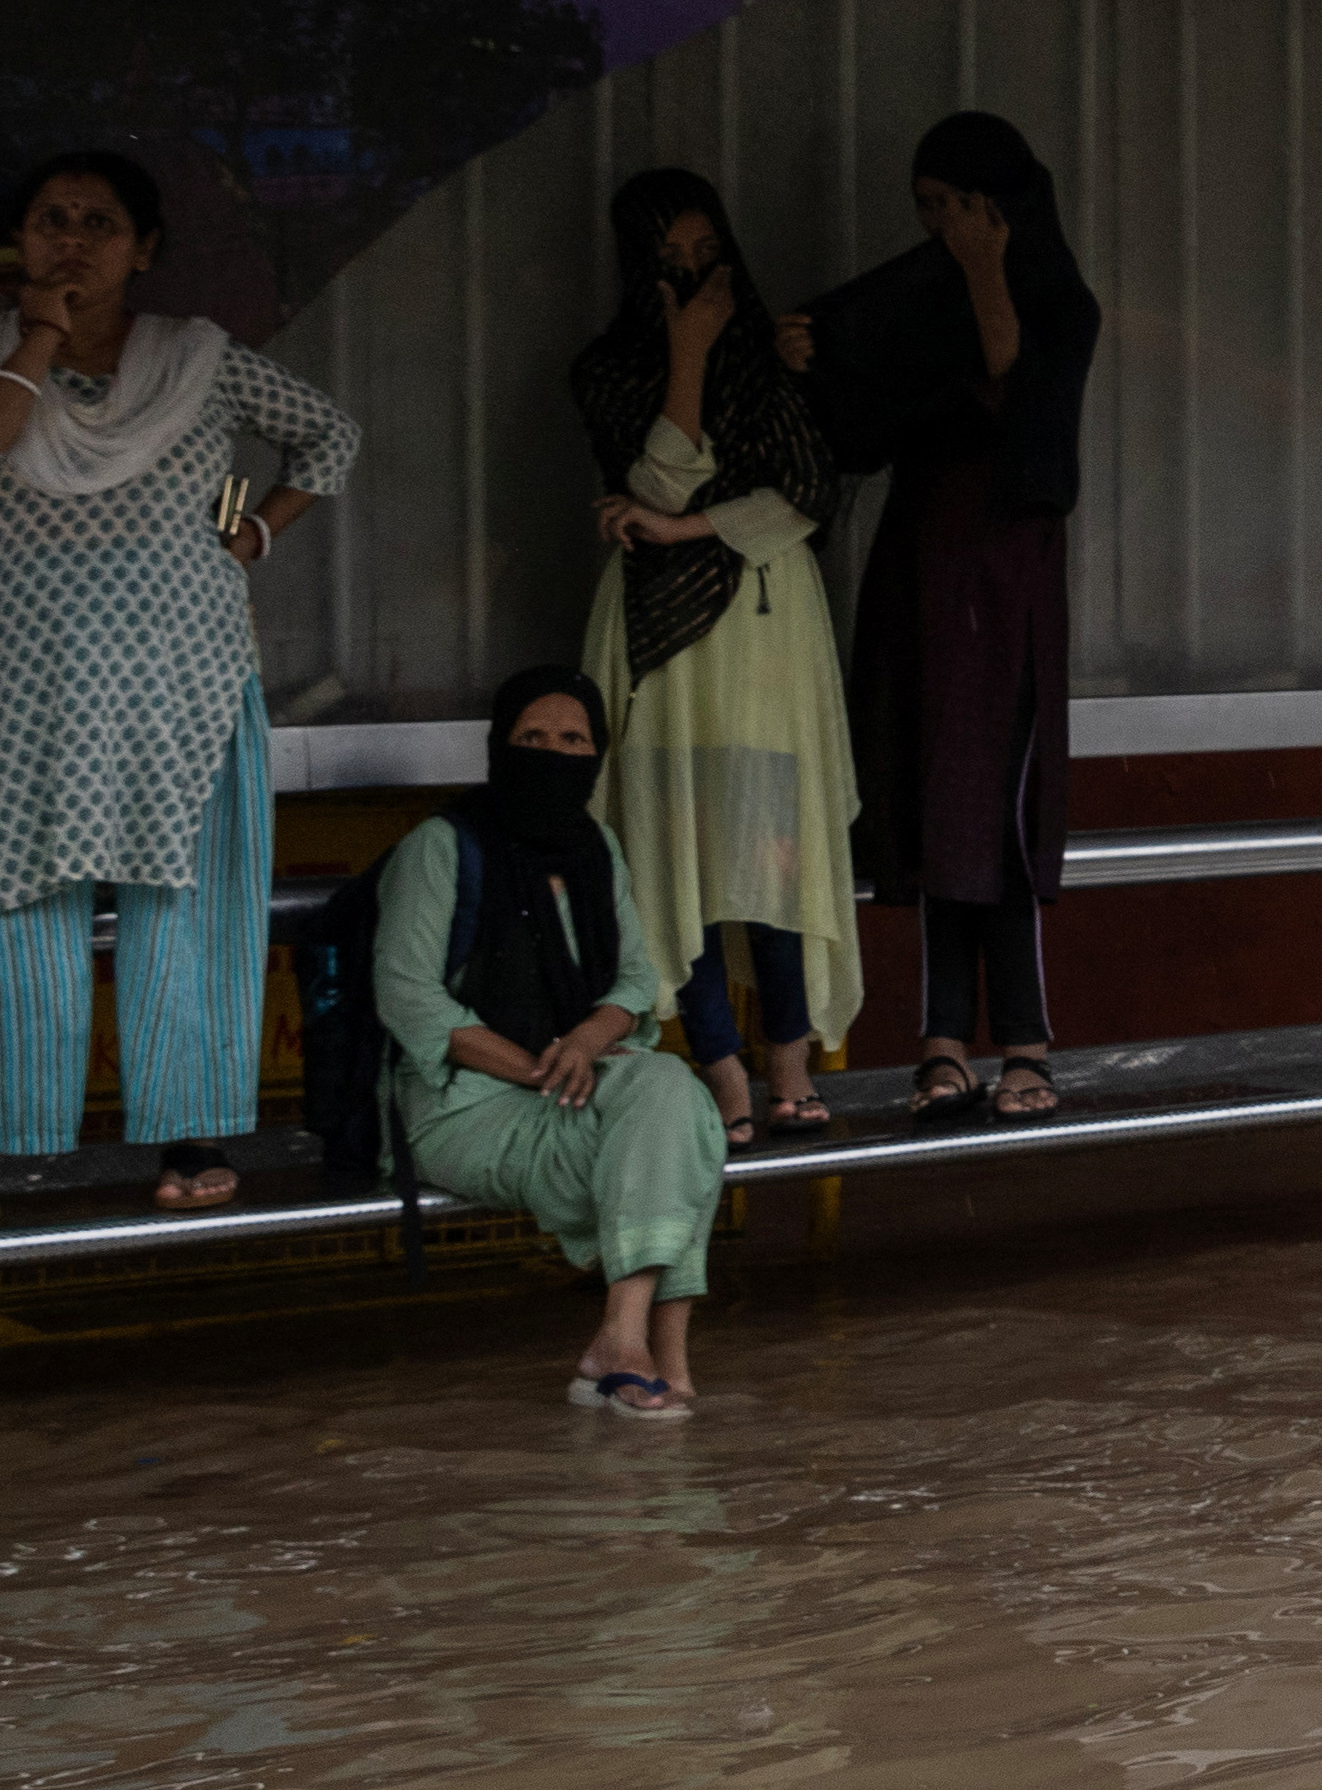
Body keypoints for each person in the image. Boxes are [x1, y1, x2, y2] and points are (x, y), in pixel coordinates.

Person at [0, 148, 353, 1233]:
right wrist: (40, 333)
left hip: (174, 691)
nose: (72, 240)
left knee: (184, 917)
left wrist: (255, 534)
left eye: (100, 223)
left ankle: (190, 1121)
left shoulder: (198, 358)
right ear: (21, 240)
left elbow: (331, 435)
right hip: (5, 698)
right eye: (51, 220)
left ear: (145, 250)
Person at [798, 111, 1103, 1126]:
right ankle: (939, 1037)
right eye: (923, 209)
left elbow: (1022, 388)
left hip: (1006, 564)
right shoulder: (922, 296)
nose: (933, 226)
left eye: (947, 205)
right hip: (926, 561)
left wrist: (986, 269)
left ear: (993, 202)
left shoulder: (1061, 299)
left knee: (1002, 803)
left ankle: (1024, 1036)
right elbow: (869, 410)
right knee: (935, 783)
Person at [569, 163, 860, 1143]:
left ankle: (789, 1060)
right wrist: (687, 355)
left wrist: (685, 530)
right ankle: (720, 1066)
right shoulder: (608, 368)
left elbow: (812, 490)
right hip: (661, 645)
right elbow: (658, 473)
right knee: (673, 852)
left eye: (707, 256)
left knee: (768, 846)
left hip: (766, 638)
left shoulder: (776, 359)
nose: (694, 278)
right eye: (671, 263)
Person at [375, 668, 735, 1419]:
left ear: (596, 755)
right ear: (497, 746)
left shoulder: (594, 847)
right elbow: (408, 998)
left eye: (573, 740)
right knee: (687, 1136)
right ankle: (659, 1354)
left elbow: (635, 978)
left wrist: (587, 1037)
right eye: (531, 738)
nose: (552, 753)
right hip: (463, 1107)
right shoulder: (440, 849)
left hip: (574, 1082)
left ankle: (625, 1340)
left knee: (676, 1098)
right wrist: (545, 1068)